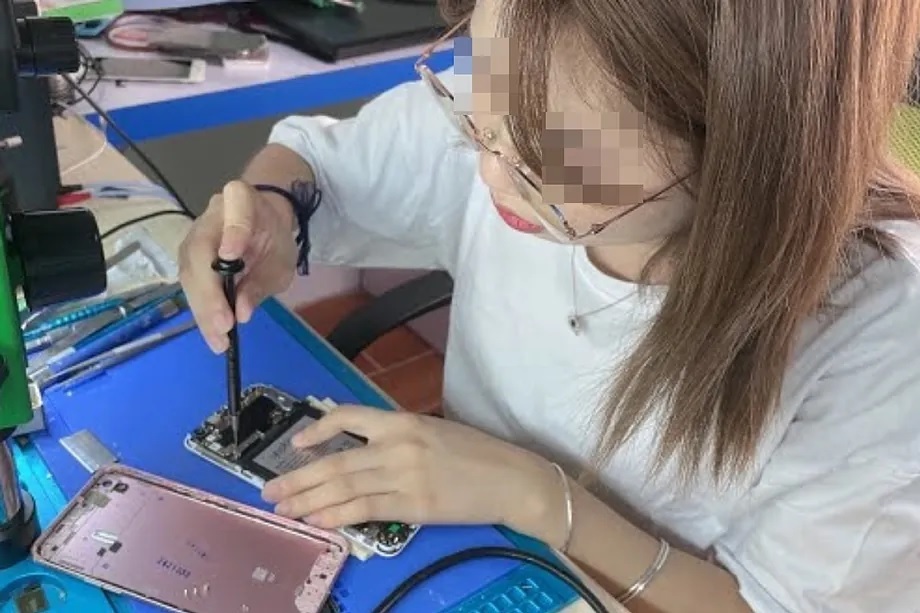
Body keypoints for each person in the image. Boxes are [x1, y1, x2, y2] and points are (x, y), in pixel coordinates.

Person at [178, 0, 920, 611]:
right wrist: (273, 204)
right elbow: (320, 166)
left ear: (742, 148)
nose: (493, 173)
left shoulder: (882, 339)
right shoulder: (526, 92)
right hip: (463, 551)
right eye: (482, 115)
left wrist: (537, 496)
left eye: (554, 158)